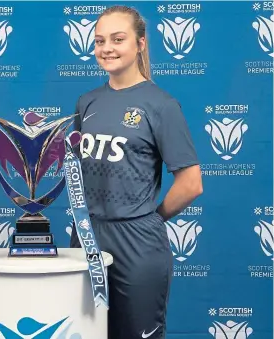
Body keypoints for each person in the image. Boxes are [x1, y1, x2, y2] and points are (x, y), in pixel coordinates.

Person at [70, 5, 203, 339]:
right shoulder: (87, 102)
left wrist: (148, 221)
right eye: (100, 41)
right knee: (84, 333)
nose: (107, 48)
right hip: (85, 237)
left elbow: (191, 183)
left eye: (118, 39)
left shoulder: (160, 104)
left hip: (137, 242)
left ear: (140, 43)